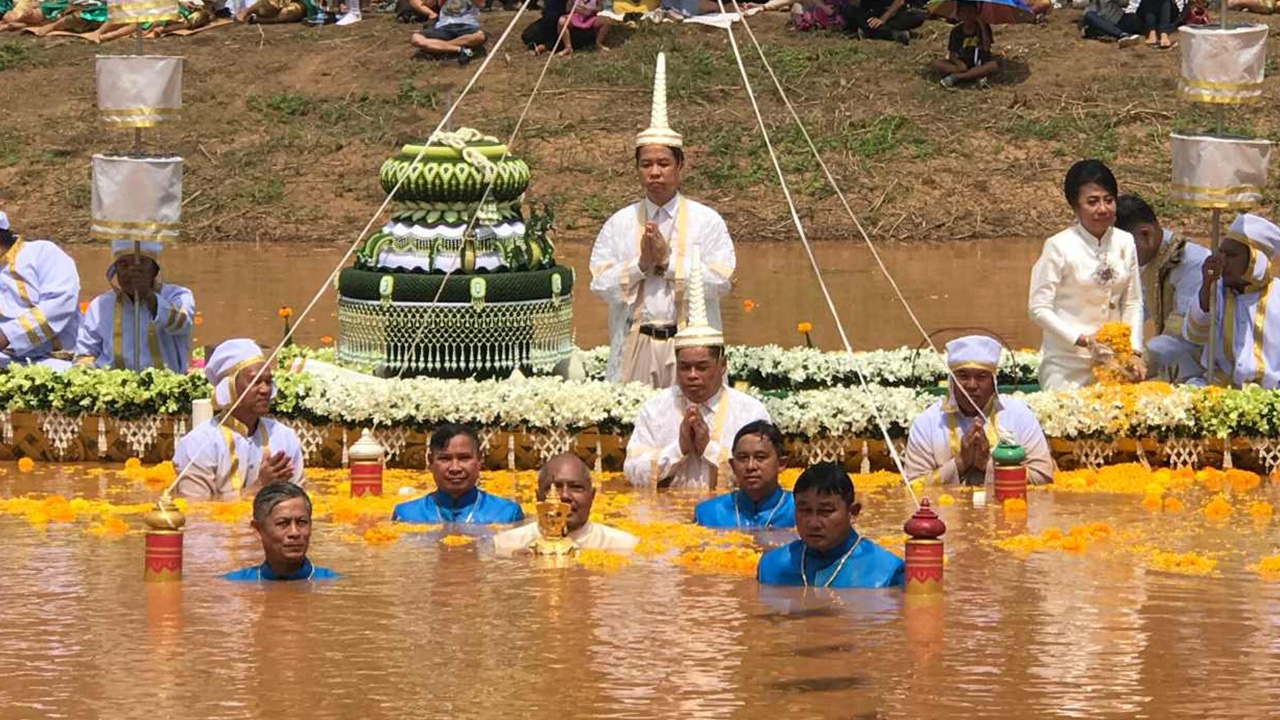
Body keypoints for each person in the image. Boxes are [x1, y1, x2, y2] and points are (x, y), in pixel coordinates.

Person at [590, 52, 735, 387]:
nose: (655, 172)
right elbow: (599, 285)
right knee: (632, 424)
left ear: (680, 166)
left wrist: (667, 262)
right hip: (635, 341)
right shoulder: (620, 222)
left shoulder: (706, 220)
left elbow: (722, 281)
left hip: (690, 351)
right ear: (637, 168)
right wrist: (641, 264)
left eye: (663, 163)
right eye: (646, 164)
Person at [623, 295, 771, 489]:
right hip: (664, 516)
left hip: (727, 516)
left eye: (702, 367)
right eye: (685, 367)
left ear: (722, 365)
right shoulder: (655, 408)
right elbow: (633, 471)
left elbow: (764, 473)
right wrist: (679, 449)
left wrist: (708, 449)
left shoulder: (750, 411)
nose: (692, 375)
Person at [1028, 159, 1143, 390]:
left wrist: (1134, 351)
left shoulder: (1125, 241)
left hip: (1116, 361)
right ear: (1075, 205)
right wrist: (1084, 341)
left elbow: (1132, 302)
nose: (1102, 209)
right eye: (1092, 202)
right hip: (1067, 364)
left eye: (1108, 200)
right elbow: (1038, 309)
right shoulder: (1058, 246)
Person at [903, 335, 1053, 487]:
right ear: (951, 381)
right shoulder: (927, 422)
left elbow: (1043, 476)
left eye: (981, 376)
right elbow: (913, 485)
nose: (971, 385)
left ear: (993, 382)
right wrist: (960, 463)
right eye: (963, 376)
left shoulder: (1019, 415)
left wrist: (987, 464)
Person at [173, 339, 306, 500]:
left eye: (268, 381)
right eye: (255, 381)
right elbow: (196, 513)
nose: (265, 390)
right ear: (230, 386)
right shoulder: (198, 444)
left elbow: (300, 504)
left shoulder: (284, 438)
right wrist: (259, 486)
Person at [756, 462, 904, 588]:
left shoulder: (888, 573)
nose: (813, 523)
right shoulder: (771, 567)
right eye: (805, 510)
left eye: (825, 511)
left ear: (853, 512)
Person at [1115, 194, 1208, 382]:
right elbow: (1136, 309)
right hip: (1167, 364)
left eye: (1121, 249)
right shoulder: (1149, 258)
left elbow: (1182, 334)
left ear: (1145, 234)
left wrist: (1139, 356)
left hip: (1201, 371)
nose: (1119, 257)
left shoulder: (1194, 263)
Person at [1183, 214, 1280, 389]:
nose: (1223, 261)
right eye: (1222, 253)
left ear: (1255, 260)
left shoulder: (1277, 296)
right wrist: (1206, 285)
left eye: (1232, 255)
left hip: (1270, 393)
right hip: (1218, 387)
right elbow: (1195, 334)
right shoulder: (1214, 291)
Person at [74, 240, 195, 373]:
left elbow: (181, 324)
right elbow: (85, 353)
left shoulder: (178, 296)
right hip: (112, 387)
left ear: (154, 270)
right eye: (124, 265)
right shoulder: (99, 305)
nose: (132, 272)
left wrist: (148, 296)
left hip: (167, 386)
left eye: (141, 264)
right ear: (116, 271)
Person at [493, 453, 639, 555]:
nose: (564, 496)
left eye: (576, 487)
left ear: (592, 496)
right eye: (554, 487)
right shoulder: (506, 545)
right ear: (538, 498)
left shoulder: (623, 546)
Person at [392, 424, 525, 523]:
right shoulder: (406, 515)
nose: (455, 468)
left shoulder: (506, 514)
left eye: (464, 458)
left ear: (479, 459)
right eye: (445, 459)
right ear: (430, 461)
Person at [0, 209, 79, 370]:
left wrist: (8, 335)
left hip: (59, 361)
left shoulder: (42, 252)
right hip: (8, 361)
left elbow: (59, 305)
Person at [224, 483, 339, 582]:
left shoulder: (331, 582)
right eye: (283, 523)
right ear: (258, 530)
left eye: (302, 522)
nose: (295, 533)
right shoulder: (236, 583)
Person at [694, 420, 796, 529]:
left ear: (781, 464)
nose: (750, 466)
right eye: (743, 458)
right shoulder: (707, 514)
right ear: (733, 466)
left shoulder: (800, 510)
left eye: (760, 457)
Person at [929, 0, 998, 89]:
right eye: (963, 12)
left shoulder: (983, 28)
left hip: (979, 63)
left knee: (993, 65)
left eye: (970, 12)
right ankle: (972, 75)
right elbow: (952, 55)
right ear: (958, 15)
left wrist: (982, 26)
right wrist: (959, 63)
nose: (967, 15)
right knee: (935, 63)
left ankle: (957, 77)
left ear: (976, 13)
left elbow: (987, 48)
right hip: (962, 64)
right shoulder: (956, 31)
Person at [411, 0, 487, 65]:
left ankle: (440, 47)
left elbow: (481, 4)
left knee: (480, 36)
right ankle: (460, 49)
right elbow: (428, 3)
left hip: (466, 25)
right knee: (417, 39)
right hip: (443, 26)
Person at [839, 0, 924, 45]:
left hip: (891, 13)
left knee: (917, 16)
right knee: (847, 10)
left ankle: (868, 32)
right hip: (870, 14)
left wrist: (882, 20)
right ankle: (894, 34)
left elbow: (899, 2)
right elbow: (854, 4)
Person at [1079, 0, 1144, 48]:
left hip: (1118, 19)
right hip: (1097, 19)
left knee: (1133, 18)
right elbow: (1077, 3)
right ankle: (1122, 35)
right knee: (1089, 15)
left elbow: (1125, 3)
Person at [236, 0, 309, 23]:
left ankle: (257, 19)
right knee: (270, 5)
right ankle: (247, 11)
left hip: (301, 4)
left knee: (291, 12)